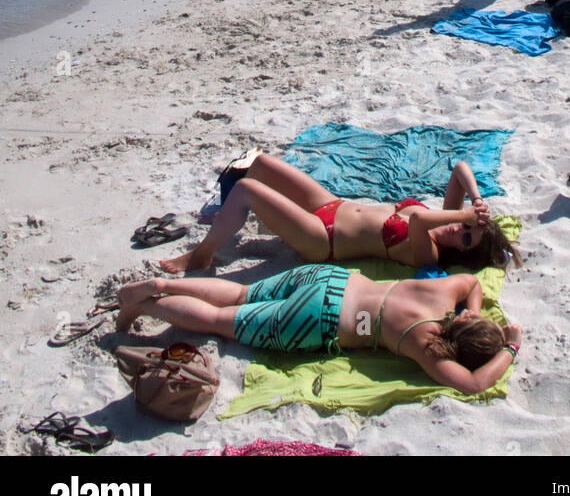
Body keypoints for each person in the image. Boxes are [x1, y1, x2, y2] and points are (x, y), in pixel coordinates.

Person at [116, 267, 523, 394]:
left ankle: (163, 284)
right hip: (324, 317)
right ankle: (150, 304)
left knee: (241, 292)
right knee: (217, 321)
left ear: (467, 322)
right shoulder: (427, 342)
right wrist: (510, 351)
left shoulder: (441, 292)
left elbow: (472, 282)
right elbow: (471, 384)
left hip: (333, 279)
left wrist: (481, 316)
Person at [160, 155, 520, 274]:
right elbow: (459, 167)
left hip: (324, 239)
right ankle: (248, 221)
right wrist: (474, 200)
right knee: (263, 165)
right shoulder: (452, 217)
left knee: (245, 190)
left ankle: (202, 255)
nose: (461, 227)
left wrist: (468, 219)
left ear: (462, 249)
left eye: (467, 236)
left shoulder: (429, 253)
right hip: (332, 205)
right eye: (467, 227)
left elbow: (417, 221)